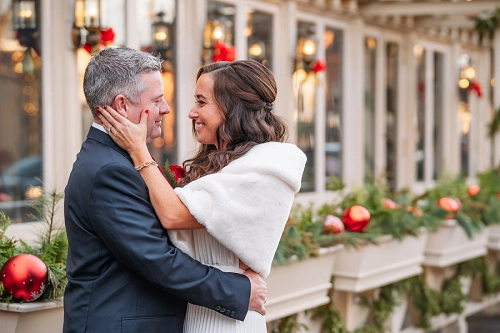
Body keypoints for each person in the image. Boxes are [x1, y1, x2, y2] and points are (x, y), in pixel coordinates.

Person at [63, 48, 267, 333]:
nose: (167, 109)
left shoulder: (118, 159)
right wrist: (240, 290)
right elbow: (157, 260)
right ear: (122, 106)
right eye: (157, 100)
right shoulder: (109, 170)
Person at [97, 59, 307, 332]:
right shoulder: (217, 164)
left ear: (232, 107)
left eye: (201, 102)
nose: (191, 113)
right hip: (198, 310)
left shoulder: (266, 167)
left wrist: (139, 151)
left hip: (228, 319)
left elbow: (173, 215)